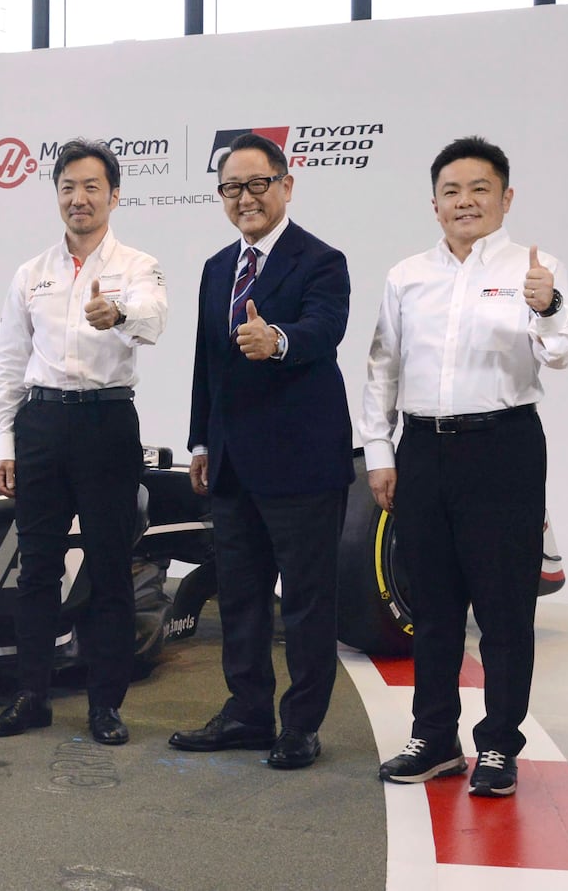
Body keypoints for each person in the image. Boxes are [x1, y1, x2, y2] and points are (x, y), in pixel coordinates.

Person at [364, 136, 568, 797]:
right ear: (434, 204)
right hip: (422, 448)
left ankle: (498, 747)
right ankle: (434, 738)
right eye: (452, 191)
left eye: (479, 189)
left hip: (504, 446)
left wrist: (547, 305)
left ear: (505, 197)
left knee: (505, 607)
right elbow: (382, 366)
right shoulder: (406, 275)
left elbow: (563, 350)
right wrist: (380, 449)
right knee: (432, 606)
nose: (466, 201)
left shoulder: (536, 270)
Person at [169, 133, 353, 770]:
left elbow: (324, 331)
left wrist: (275, 339)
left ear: (285, 186)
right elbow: (205, 363)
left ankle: (301, 725)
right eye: (230, 188)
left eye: (256, 185)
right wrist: (200, 440)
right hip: (232, 462)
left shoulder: (322, 260)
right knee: (241, 597)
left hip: (302, 462)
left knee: (304, 601)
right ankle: (247, 713)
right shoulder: (218, 267)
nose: (244, 198)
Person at [0, 138, 168, 744]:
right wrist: (5, 444)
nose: (79, 198)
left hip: (106, 425)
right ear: (56, 195)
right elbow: (9, 363)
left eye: (91, 187)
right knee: (36, 568)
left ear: (114, 196)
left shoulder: (136, 265)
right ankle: (30, 696)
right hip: (41, 425)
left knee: (110, 568)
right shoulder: (30, 274)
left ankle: (104, 706)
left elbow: (155, 318)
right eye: (68, 187)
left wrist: (117, 314)